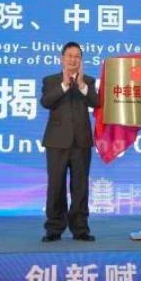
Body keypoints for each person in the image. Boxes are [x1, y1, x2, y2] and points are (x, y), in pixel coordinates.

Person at [40, 42, 100, 242]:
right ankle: (54, 229)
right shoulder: (51, 80)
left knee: (80, 187)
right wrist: (65, 84)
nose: (73, 59)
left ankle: (80, 229)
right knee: (56, 186)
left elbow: (96, 103)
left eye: (77, 56)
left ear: (81, 60)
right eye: (69, 55)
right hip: (56, 142)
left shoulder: (88, 81)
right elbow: (46, 102)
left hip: (81, 142)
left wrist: (81, 85)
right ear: (62, 58)